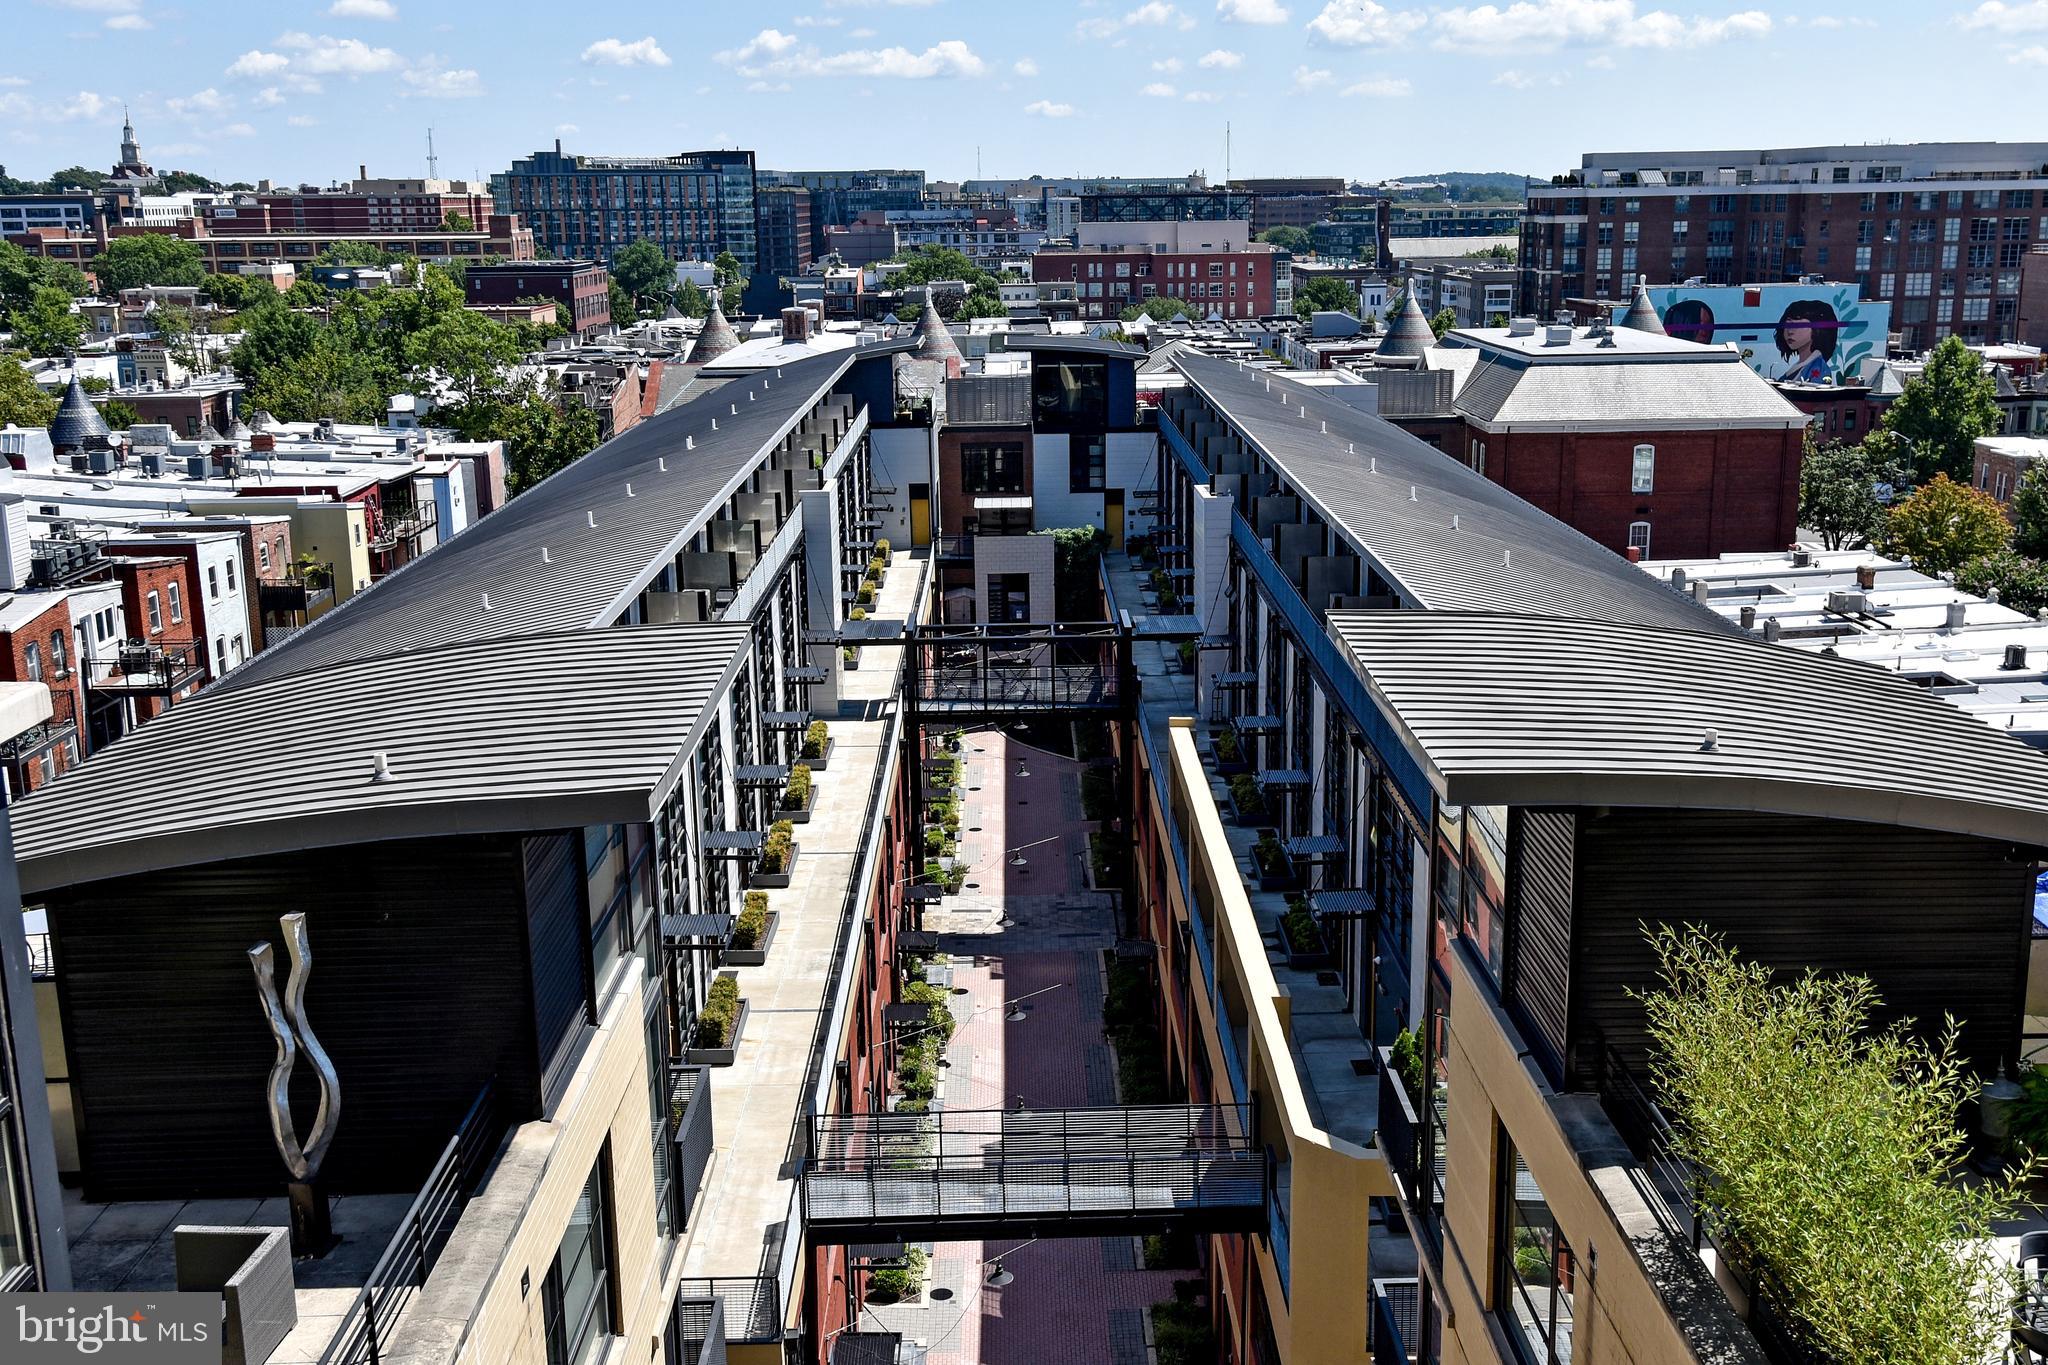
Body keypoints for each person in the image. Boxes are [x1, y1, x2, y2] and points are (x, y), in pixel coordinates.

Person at [1773, 299, 1838, 382]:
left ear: (1817, 330)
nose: (1790, 331)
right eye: (1788, 324)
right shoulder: (1801, 365)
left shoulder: (1818, 368)